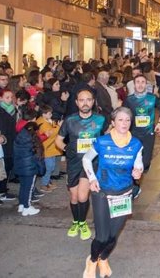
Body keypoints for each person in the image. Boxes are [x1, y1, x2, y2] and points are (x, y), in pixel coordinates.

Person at [82, 107, 143, 278]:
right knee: (102, 237)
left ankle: (104, 258)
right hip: (102, 192)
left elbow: (138, 164)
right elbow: (86, 159)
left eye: (127, 120)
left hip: (124, 194)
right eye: (120, 120)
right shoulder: (102, 142)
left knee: (113, 235)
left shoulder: (136, 144)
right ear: (113, 122)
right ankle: (92, 261)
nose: (124, 123)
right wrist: (92, 179)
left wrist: (138, 170)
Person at [56, 88, 107, 241]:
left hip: (91, 164)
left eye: (88, 100)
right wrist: (66, 149)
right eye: (82, 100)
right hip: (73, 163)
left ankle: (83, 222)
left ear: (93, 102)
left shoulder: (100, 120)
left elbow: (108, 138)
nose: (85, 103)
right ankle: (76, 221)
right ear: (77, 102)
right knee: (74, 196)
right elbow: (58, 140)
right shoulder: (70, 120)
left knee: (83, 195)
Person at [122, 74, 160, 197]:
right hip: (133, 135)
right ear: (134, 84)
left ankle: (138, 176)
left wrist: (159, 123)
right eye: (137, 82)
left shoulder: (152, 98)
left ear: (146, 84)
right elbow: (123, 115)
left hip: (148, 134)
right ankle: (134, 187)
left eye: (142, 82)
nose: (140, 84)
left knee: (145, 163)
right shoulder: (129, 100)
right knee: (132, 161)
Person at [13, 121, 44, 216]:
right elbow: (37, 156)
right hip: (30, 168)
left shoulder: (19, 137)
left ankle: (21, 205)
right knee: (29, 188)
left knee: (23, 187)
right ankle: (27, 207)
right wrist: (41, 168)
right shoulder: (32, 140)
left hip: (20, 166)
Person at [36, 105, 62, 192]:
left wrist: (55, 125)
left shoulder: (47, 120)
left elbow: (52, 129)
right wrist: (58, 127)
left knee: (51, 166)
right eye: (49, 113)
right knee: (49, 167)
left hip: (50, 148)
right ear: (44, 114)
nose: (51, 115)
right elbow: (51, 134)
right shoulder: (42, 123)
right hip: (46, 148)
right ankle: (44, 184)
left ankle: (47, 181)